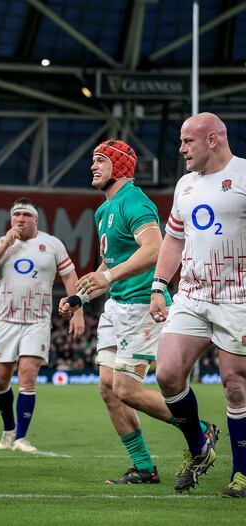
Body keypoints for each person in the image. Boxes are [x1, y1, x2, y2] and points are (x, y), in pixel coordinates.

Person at [59, 139, 217, 485]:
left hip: (142, 306)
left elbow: (155, 248)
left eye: (100, 161)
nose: (93, 167)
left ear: (119, 167)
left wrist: (109, 275)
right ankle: (144, 467)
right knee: (106, 388)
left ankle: (201, 430)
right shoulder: (104, 210)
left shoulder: (135, 201)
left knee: (126, 389)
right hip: (115, 306)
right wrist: (81, 298)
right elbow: (112, 261)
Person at [150, 112, 246, 496]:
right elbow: (173, 239)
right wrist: (159, 285)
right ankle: (198, 448)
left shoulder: (243, 176)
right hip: (191, 294)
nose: (181, 149)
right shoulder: (185, 186)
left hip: (237, 295)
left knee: (235, 384)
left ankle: (242, 472)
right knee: (167, 374)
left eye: (188, 141)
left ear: (213, 139)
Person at [0, 197, 84, 453]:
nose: (20, 219)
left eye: (26, 215)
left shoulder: (52, 244)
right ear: (11, 219)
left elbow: (70, 276)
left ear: (36, 219)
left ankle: (21, 438)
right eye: (16, 215)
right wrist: (5, 244)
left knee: (27, 377)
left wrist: (77, 311)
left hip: (37, 321)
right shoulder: (2, 244)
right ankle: (9, 428)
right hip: (6, 320)